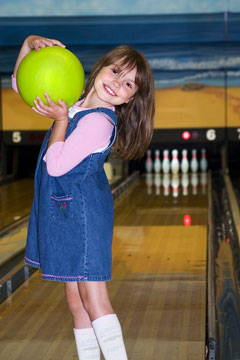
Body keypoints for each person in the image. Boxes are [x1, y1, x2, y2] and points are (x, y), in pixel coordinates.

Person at [12, 35, 155, 360]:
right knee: (76, 303)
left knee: (94, 300)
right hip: (64, 212)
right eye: (116, 71)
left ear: (130, 99)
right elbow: (23, 85)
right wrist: (28, 44)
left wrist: (62, 120)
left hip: (83, 216)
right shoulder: (76, 102)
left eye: (129, 84)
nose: (118, 83)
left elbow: (58, 166)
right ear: (99, 68)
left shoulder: (98, 122)